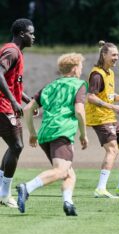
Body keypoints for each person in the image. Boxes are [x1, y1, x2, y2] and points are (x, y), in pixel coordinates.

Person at [16, 53, 88, 216]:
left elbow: (27, 109)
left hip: (45, 134)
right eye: (81, 67)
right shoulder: (79, 85)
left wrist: (32, 133)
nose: (81, 70)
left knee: (69, 173)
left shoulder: (49, 86)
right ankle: (26, 187)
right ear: (75, 68)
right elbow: (79, 111)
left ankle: (68, 203)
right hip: (62, 132)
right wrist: (83, 134)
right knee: (61, 171)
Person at [85, 41, 119, 198]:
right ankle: (100, 188)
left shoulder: (110, 73)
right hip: (100, 118)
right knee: (112, 150)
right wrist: (113, 107)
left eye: (118, 55)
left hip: (109, 117)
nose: (117, 58)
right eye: (114, 55)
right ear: (104, 55)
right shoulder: (97, 74)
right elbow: (91, 97)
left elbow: (107, 96)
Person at [0, 18, 35, 208]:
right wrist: (13, 101)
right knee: (17, 146)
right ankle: (4, 194)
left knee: (15, 146)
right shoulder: (11, 51)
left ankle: (2, 192)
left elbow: (12, 83)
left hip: (7, 104)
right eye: (31, 33)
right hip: (2, 106)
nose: (34, 36)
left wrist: (27, 99)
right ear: (22, 34)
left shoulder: (16, 52)